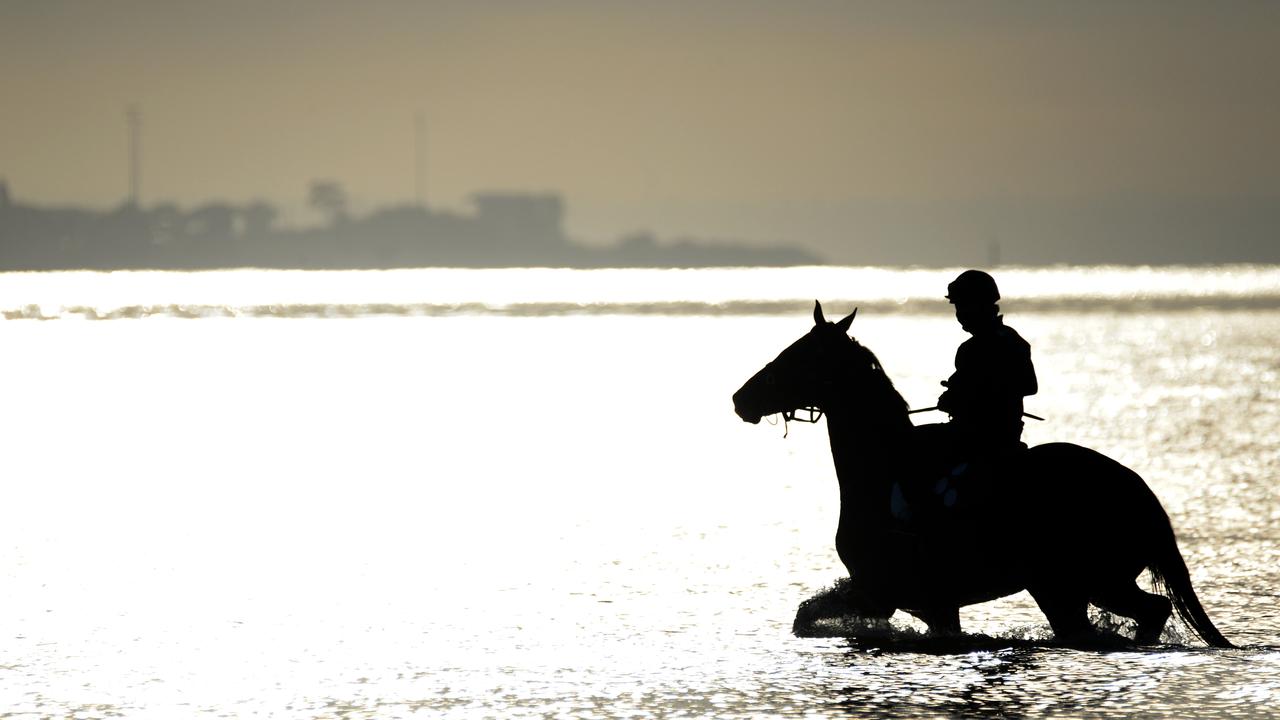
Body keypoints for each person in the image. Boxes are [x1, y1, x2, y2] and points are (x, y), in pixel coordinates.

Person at [936, 270, 1038, 461]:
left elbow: (1027, 386)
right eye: (957, 307)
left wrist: (960, 398)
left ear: (980, 306)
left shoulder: (972, 349)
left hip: (978, 437)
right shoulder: (1013, 339)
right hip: (1008, 434)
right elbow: (1029, 386)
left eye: (963, 306)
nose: (960, 315)